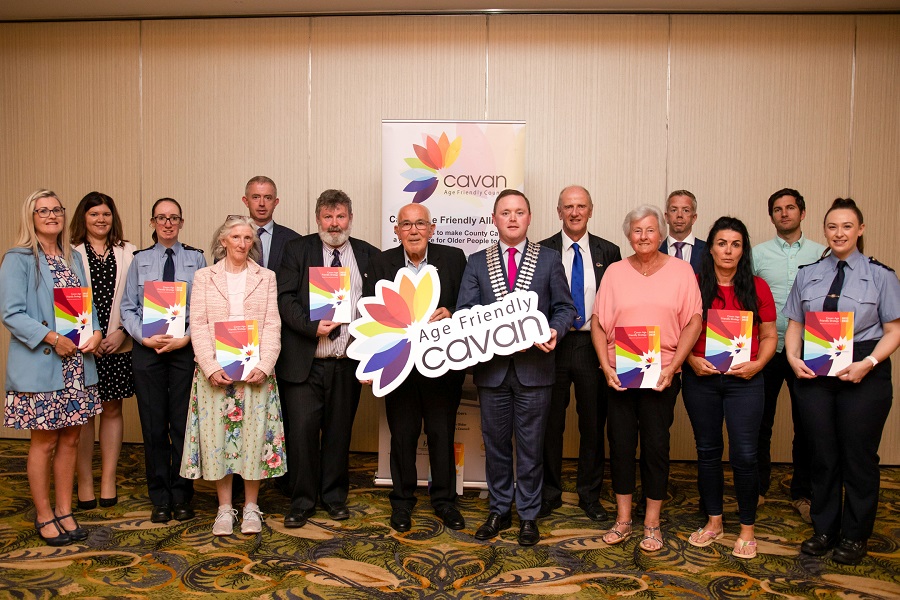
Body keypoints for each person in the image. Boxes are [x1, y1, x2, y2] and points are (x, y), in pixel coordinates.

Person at [457, 189, 576, 547]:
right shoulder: (477, 261)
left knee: (530, 446)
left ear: (529, 217)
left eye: (519, 212)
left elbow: (565, 308)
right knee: (494, 445)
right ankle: (499, 510)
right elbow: (465, 312)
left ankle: (528, 514)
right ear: (494, 219)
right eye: (505, 212)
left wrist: (555, 330)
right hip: (493, 373)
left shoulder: (549, 259)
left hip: (535, 370)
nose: (512, 218)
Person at [785, 198, 900, 565]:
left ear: (860, 230)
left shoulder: (882, 275)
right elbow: (796, 324)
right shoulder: (809, 273)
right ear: (824, 230)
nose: (839, 233)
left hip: (864, 370)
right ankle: (825, 528)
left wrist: (868, 362)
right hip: (816, 372)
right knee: (822, 453)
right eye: (833, 227)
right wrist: (791, 358)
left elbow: (894, 330)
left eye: (847, 226)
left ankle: (854, 534)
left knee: (858, 455)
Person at [591, 204, 702, 552]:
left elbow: (693, 321)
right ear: (628, 235)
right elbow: (597, 322)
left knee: (656, 446)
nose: (644, 236)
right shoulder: (614, 272)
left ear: (661, 233)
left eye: (651, 230)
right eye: (637, 231)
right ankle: (624, 519)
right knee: (621, 444)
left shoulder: (682, 272)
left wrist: (673, 367)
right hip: (619, 375)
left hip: (662, 374)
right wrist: (605, 367)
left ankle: (652, 522)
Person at [1, 189, 102, 546]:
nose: (51, 215)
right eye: (42, 210)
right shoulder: (18, 259)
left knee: (72, 439)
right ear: (31, 217)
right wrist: (51, 338)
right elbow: (11, 313)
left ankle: (64, 510)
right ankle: (44, 514)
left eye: (56, 209)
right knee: (44, 443)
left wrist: (96, 332)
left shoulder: (73, 258)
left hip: (77, 364)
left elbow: (85, 309)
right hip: (44, 363)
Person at [277, 189, 379, 528]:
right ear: (318, 219)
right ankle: (302, 500)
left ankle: (334, 497)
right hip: (306, 362)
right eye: (327, 217)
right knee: (302, 433)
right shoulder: (297, 250)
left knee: (339, 433)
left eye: (340, 217)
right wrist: (310, 327)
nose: (334, 224)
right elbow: (284, 298)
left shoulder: (368, 255)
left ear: (350, 218)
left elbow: (379, 307)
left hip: (346, 362)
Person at [363, 203, 467, 533]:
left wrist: (451, 311)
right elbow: (370, 315)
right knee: (404, 437)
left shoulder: (453, 259)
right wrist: (370, 361)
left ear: (432, 229)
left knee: (441, 434)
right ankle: (402, 501)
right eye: (405, 224)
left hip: (443, 369)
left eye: (420, 223)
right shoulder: (382, 262)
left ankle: (445, 501)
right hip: (400, 368)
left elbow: (470, 304)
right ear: (397, 231)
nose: (413, 230)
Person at [180, 216, 285, 536]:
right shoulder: (204, 276)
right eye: (236, 237)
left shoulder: (266, 277)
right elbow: (197, 324)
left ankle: (252, 507)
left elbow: (272, 325)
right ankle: (224, 509)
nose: (242, 243)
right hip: (216, 374)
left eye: (247, 238)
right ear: (223, 240)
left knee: (254, 441)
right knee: (219, 442)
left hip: (255, 373)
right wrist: (210, 366)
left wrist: (264, 365)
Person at [683, 217, 776, 559]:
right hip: (702, 380)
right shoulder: (693, 284)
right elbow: (680, 331)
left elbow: (769, 335)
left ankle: (748, 529)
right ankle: (714, 521)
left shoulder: (757, 287)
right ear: (711, 247)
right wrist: (691, 360)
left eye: (736, 244)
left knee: (745, 455)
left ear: (743, 249)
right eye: (722, 243)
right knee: (707, 452)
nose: (728, 250)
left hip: (745, 382)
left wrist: (758, 364)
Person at [120, 198, 207, 524]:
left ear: (181, 222)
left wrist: (185, 336)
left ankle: (183, 496)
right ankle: (159, 497)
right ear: (153, 222)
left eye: (173, 218)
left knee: (183, 426)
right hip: (148, 351)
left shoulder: (196, 258)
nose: (167, 223)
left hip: (184, 349)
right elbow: (128, 307)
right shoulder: (140, 260)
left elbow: (202, 307)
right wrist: (143, 336)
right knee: (154, 427)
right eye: (161, 218)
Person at [538, 185, 621, 522]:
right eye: (568, 206)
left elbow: (617, 301)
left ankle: (590, 495)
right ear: (559, 211)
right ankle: (549, 494)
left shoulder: (610, 251)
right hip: (552, 346)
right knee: (549, 424)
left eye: (581, 206)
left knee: (592, 423)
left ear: (591, 210)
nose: (574, 212)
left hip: (592, 346)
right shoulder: (540, 250)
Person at [751, 188, 825, 520]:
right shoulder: (757, 254)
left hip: (809, 350)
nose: (784, 213)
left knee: (807, 424)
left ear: (803, 213)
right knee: (758, 423)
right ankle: (758, 487)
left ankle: (803, 492)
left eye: (790, 208)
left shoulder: (823, 253)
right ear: (771, 217)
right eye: (778, 209)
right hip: (767, 349)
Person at [71, 192, 137, 510]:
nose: (101, 219)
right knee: (85, 417)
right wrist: (88, 338)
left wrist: (121, 332)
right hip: (82, 347)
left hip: (117, 343)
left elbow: (135, 300)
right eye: (94, 214)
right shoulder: (70, 253)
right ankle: (85, 482)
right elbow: (66, 299)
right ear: (83, 218)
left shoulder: (129, 252)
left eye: (106, 214)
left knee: (112, 410)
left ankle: (108, 478)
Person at [242, 176, 300, 275]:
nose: (261, 203)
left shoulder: (294, 240)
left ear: (275, 202)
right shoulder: (230, 239)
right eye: (256, 197)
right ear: (246, 201)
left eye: (268, 198)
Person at [660, 190, 706, 274]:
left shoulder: (708, 251)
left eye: (686, 210)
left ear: (694, 218)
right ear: (666, 217)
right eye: (674, 210)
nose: (679, 215)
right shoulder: (655, 251)